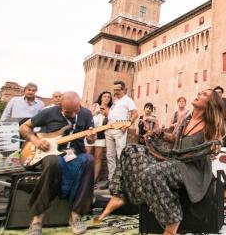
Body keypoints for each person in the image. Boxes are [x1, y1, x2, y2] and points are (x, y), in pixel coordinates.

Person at [98, 89, 225, 235]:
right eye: (200, 92)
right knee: (130, 150)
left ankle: (172, 221)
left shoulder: (211, 125)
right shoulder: (186, 118)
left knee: (151, 174)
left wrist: (213, 147)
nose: (199, 94)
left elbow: (214, 144)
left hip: (191, 170)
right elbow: (174, 138)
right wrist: (159, 133)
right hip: (174, 161)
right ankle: (118, 196)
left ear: (210, 103)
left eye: (204, 94)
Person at [19, 92, 96, 235]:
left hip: (76, 153)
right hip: (52, 154)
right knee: (53, 163)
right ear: (60, 105)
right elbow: (24, 127)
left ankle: (76, 216)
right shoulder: (49, 112)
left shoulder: (86, 114)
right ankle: (37, 220)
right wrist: (36, 141)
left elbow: (91, 140)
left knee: (89, 160)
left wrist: (92, 137)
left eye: (76, 110)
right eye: (68, 112)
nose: (73, 114)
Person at [105, 80, 138, 182]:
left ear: (124, 90)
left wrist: (127, 125)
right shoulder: (115, 101)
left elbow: (135, 114)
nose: (115, 91)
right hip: (109, 129)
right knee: (110, 155)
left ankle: (121, 179)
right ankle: (111, 179)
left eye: (118, 90)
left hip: (120, 130)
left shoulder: (128, 100)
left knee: (120, 154)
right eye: (114, 89)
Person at [87, 91, 111, 185]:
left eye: (108, 97)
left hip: (101, 134)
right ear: (101, 98)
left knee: (98, 158)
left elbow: (111, 121)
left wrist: (106, 114)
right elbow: (87, 116)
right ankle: (84, 178)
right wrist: (96, 112)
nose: (106, 98)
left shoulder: (110, 109)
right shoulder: (95, 105)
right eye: (104, 96)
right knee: (87, 155)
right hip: (91, 132)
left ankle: (93, 181)